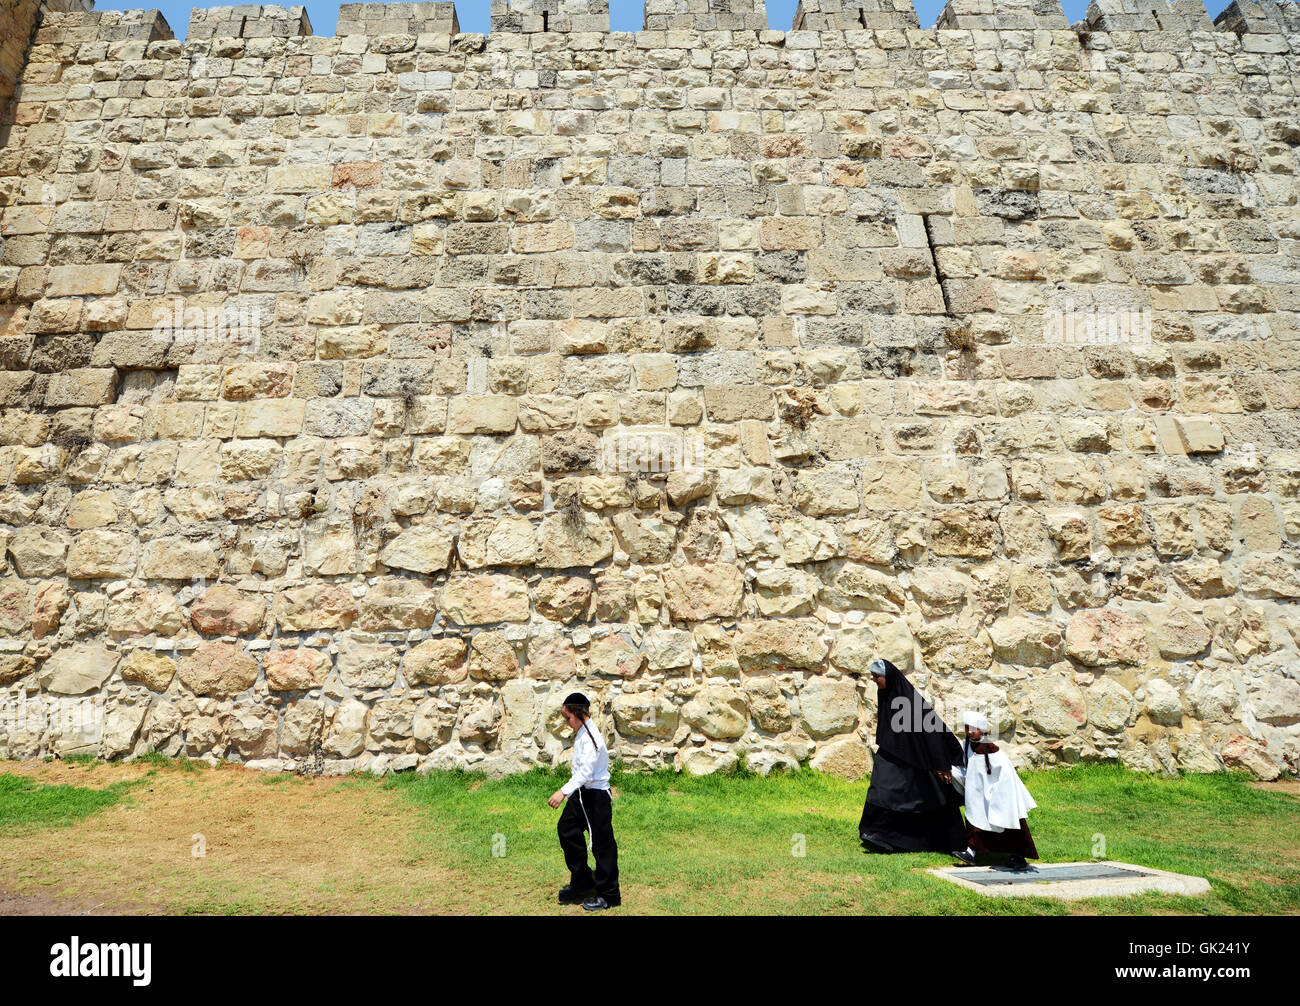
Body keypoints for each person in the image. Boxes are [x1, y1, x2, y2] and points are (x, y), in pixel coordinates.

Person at [858, 658, 969, 858]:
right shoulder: (887, 695)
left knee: (930, 800)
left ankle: (949, 841)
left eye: (877, 677)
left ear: (888, 677)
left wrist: (939, 764)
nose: (874, 680)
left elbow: (932, 731)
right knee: (881, 791)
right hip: (893, 756)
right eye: (873, 676)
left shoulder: (908, 701)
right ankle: (876, 834)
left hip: (918, 760)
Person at [547, 692, 621, 911]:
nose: (567, 723)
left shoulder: (590, 737)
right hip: (582, 794)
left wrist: (563, 792)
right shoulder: (581, 732)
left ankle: (609, 895)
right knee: (567, 829)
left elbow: (587, 773)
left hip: (595, 797)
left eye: (568, 718)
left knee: (602, 845)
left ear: (579, 714)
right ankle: (582, 881)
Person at [950, 711, 1039, 872]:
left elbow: (1004, 770)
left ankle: (1019, 856)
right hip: (977, 793)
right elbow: (966, 767)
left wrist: (998, 793)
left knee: (1008, 824)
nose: (970, 731)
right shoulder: (967, 745)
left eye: (974, 728)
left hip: (998, 791)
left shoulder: (991, 749)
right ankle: (971, 852)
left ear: (982, 730)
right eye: (967, 727)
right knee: (974, 821)